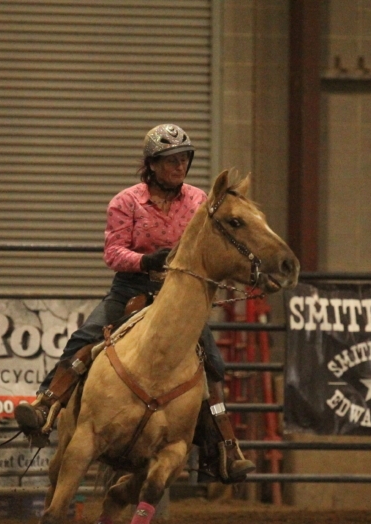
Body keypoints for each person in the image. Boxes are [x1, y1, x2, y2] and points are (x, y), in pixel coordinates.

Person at [13, 123, 255, 483]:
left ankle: (222, 448)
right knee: (87, 336)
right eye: (171, 160)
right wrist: (145, 261)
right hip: (132, 288)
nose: (179, 166)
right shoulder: (126, 202)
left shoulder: (199, 201)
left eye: (184, 159)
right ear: (152, 165)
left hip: (180, 296)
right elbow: (113, 252)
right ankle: (45, 405)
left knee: (213, 364)